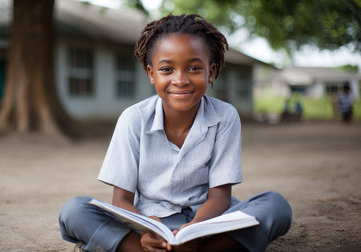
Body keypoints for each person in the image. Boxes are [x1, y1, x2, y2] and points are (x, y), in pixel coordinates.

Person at [59, 14, 292, 252]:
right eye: (167, 69)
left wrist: (195, 232)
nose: (180, 80)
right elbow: (121, 201)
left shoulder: (225, 116)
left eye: (193, 68)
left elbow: (220, 197)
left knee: (275, 206)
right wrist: (146, 230)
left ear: (211, 72)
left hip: (207, 222)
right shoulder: (134, 118)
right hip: (150, 223)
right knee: (75, 210)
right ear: (151, 74)